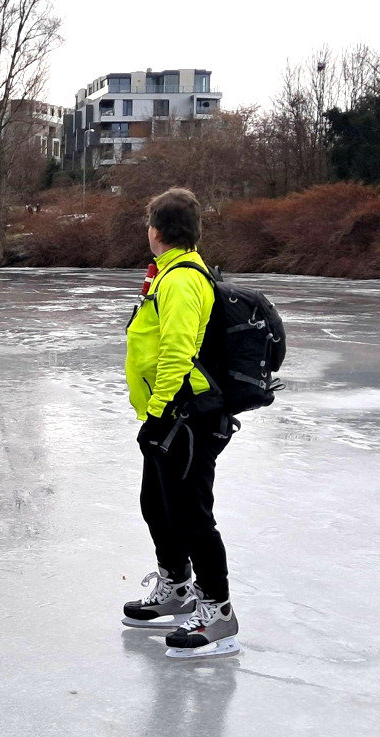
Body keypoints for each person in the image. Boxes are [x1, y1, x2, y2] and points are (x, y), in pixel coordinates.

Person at [122, 188, 239, 656]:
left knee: (191, 515)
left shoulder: (183, 280)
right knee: (158, 504)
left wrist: (157, 414)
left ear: (155, 232)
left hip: (186, 415)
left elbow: (177, 351)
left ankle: (219, 611)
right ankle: (176, 585)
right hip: (171, 412)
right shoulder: (168, 274)